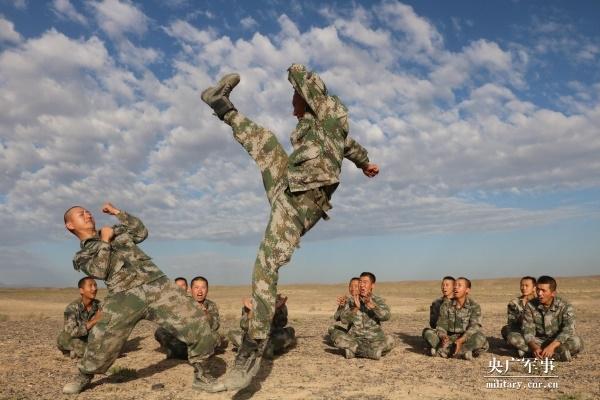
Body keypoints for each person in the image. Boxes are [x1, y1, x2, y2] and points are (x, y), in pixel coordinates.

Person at [201, 64, 380, 390]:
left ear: (308, 98)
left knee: (266, 265)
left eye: (294, 98)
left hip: (301, 202)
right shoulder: (321, 128)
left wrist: (293, 67)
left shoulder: (328, 113)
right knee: (265, 141)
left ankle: (251, 350)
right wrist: (365, 162)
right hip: (289, 185)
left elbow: (304, 80)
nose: (291, 105)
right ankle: (220, 105)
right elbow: (350, 147)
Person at [61, 203, 222, 394]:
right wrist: (105, 241)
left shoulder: (116, 231)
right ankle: (85, 374)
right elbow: (100, 270)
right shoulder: (82, 255)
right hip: (124, 295)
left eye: (88, 212)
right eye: (81, 214)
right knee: (101, 337)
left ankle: (203, 375)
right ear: (70, 225)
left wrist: (117, 213)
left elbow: (140, 232)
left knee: (197, 322)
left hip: (158, 285)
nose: (88, 214)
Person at [329, 272, 395, 360]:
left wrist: (373, 306)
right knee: (335, 332)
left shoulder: (378, 300)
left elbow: (386, 316)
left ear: (372, 285)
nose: (362, 285)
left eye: (365, 282)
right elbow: (344, 320)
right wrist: (355, 308)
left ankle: (353, 351)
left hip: (374, 340)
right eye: (360, 282)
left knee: (390, 341)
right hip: (354, 339)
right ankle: (370, 352)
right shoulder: (352, 300)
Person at [155, 276, 223, 359]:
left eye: (203, 288)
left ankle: (181, 352)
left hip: (200, 337)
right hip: (184, 337)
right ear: (191, 289)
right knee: (160, 331)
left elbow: (215, 326)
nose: (200, 291)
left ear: (207, 290)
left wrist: (205, 314)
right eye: (196, 287)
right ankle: (182, 351)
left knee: (215, 337)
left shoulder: (211, 305)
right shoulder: (184, 302)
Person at [522, 275, 584, 361]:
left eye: (543, 290)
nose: (539, 293)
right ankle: (555, 354)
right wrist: (534, 347)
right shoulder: (530, 305)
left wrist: (552, 346)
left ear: (553, 293)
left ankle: (539, 353)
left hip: (558, 341)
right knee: (515, 338)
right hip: (539, 341)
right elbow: (528, 330)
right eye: (538, 289)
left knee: (577, 341)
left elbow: (569, 329)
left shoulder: (564, 306)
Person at [427, 277, 489, 360]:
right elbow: (441, 325)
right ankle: (462, 353)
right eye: (455, 285)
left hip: (465, 338)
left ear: (467, 290)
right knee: (428, 332)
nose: (455, 287)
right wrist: (443, 337)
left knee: (481, 337)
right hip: (449, 337)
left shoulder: (474, 306)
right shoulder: (446, 305)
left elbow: (474, 326)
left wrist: (461, 340)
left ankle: (447, 351)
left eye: (459, 285)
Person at [228, 294, 296, 359]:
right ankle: (260, 348)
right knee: (232, 333)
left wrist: (276, 310)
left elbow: (281, 324)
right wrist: (252, 310)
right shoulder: (249, 305)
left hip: (270, 335)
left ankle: (254, 348)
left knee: (290, 331)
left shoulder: (279, 305)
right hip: (252, 336)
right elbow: (244, 326)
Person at [57, 277, 102, 358]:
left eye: (95, 285)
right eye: (90, 286)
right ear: (81, 290)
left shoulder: (99, 305)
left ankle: (79, 352)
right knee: (84, 347)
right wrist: (94, 321)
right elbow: (72, 332)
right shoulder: (72, 308)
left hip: (89, 338)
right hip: (72, 338)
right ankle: (76, 351)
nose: (94, 289)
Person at [501, 276, 537, 357]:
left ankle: (525, 351)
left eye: (527, 286)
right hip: (521, 331)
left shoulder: (540, 301)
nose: (523, 288)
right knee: (508, 333)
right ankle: (534, 351)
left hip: (538, 333)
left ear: (534, 288)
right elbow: (512, 322)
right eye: (522, 285)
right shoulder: (514, 303)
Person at [422, 276, 454, 355]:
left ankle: (439, 348)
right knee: (426, 332)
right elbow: (432, 323)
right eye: (442, 285)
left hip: (455, 334)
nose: (444, 287)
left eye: (447, 285)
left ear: (453, 287)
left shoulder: (458, 302)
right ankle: (443, 346)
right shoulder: (436, 303)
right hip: (440, 333)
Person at [327, 277, 360, 345]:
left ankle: (349, 343)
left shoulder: (365, 301)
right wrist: (341, 306)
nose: (353, 288)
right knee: (332, 328)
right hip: (351, 333)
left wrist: (356, 308)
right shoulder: (349, 300)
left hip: (362, 334)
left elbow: (345, 321)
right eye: (351, 286)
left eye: (356, 286)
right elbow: (336, 318)